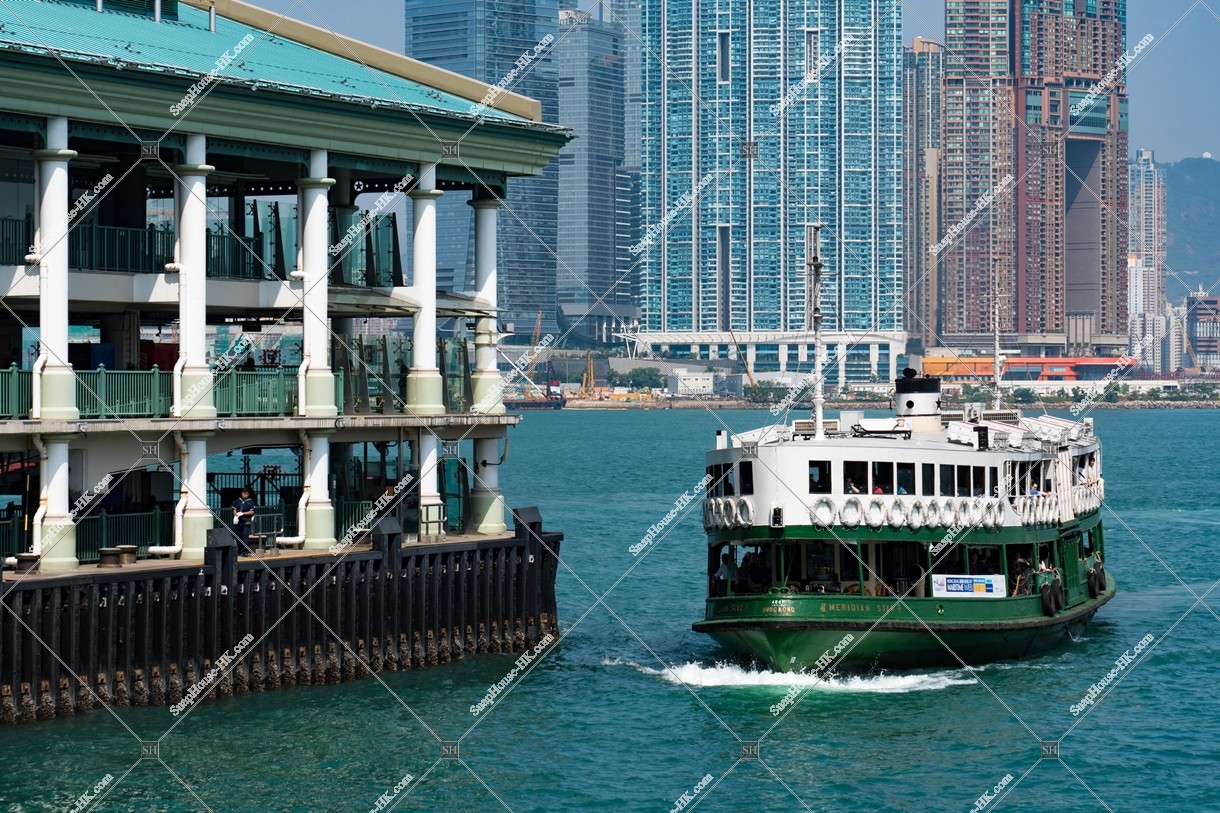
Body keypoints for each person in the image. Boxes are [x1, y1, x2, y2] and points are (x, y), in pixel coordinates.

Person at [232, 487, 256, 555]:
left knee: (245, 536)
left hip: (246, 521)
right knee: (238, 535)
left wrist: (242, 513)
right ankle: (239, 550)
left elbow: (251, 512)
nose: (244, 495)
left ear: (248, 494)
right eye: (243, 493)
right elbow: (234, 509)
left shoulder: (250, 502)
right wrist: (236, 515)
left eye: (246, 493)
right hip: (238, 521)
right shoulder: (238, 501)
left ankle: (244, 551)